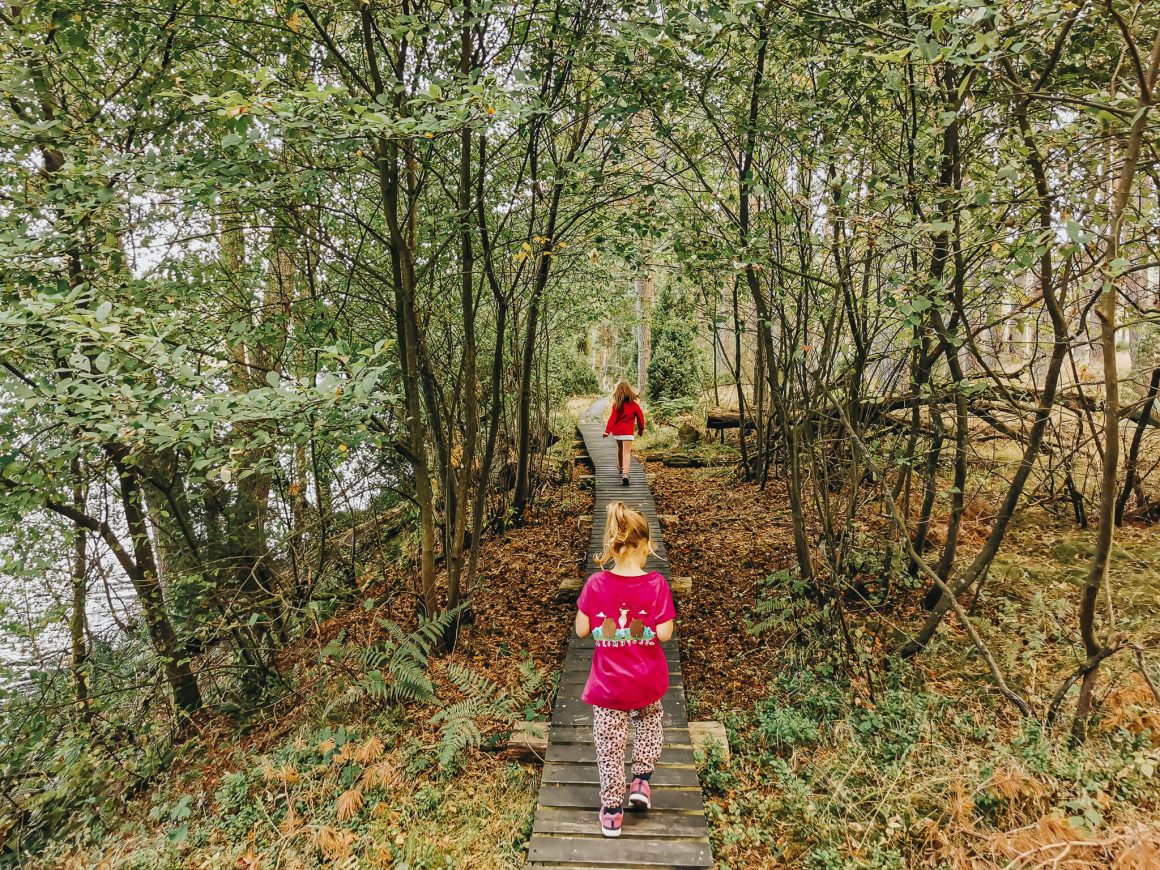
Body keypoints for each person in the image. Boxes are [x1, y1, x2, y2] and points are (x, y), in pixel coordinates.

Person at [574, 502, 675, 838]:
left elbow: (582, 630)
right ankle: (641, 780)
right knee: (649, 724)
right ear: (645, 545)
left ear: (612, 546)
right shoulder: (657, 584)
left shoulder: (595, 584)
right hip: (646, 681)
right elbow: (664, 634)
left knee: (609, 746)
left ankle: (612, 810)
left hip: (608, 687)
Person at [603, 381, 645, 485]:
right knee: (626, 452)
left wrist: (607, 431)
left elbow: (612, 418)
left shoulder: (616, 405)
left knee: (620, 449)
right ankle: (625, 473)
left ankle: (620, 467)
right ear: (629, 392)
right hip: (628, 432)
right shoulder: (634, 405)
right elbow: (641, 419)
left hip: (617, 432)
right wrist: (640, 430)